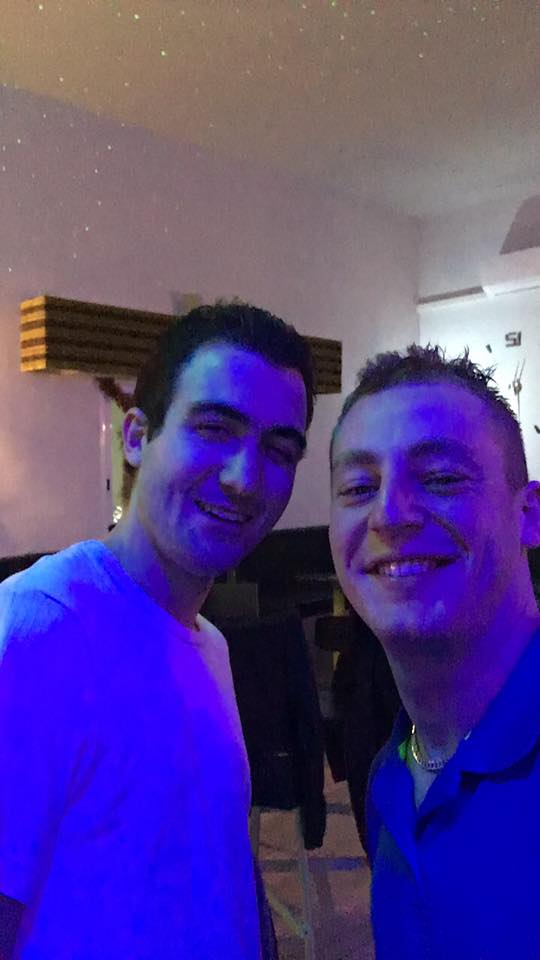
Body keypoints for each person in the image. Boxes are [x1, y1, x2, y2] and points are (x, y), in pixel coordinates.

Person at [0, 302, 315, 960]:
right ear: (137, 437)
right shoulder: (41, 629)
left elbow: (218, 870)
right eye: (215, 428)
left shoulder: (210, 645)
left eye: (279, 450)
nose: (245, 477)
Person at [328, 344, 540, 960]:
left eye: (442, 478)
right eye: (359, 487)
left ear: (529, 515)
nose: (389, 515)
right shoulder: (392, 777)